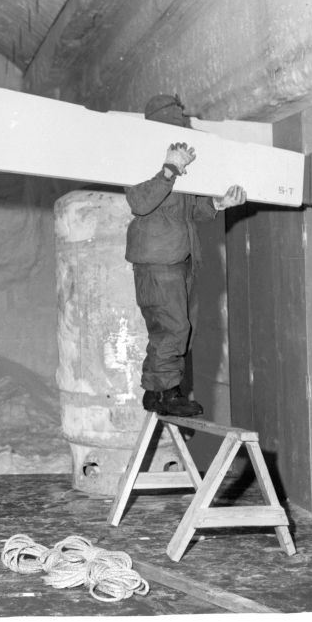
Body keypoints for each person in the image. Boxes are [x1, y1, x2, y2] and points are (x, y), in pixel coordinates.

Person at [126, 94, 247, 417]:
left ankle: (156, 392)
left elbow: (192, 209)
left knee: (178, 327)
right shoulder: (141, 156)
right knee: (173, 327)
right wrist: (169, 169)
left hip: (181, 257)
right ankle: (168, 393)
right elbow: (139, 202)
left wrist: (220, 203)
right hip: (158, 259)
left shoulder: (180, 162)